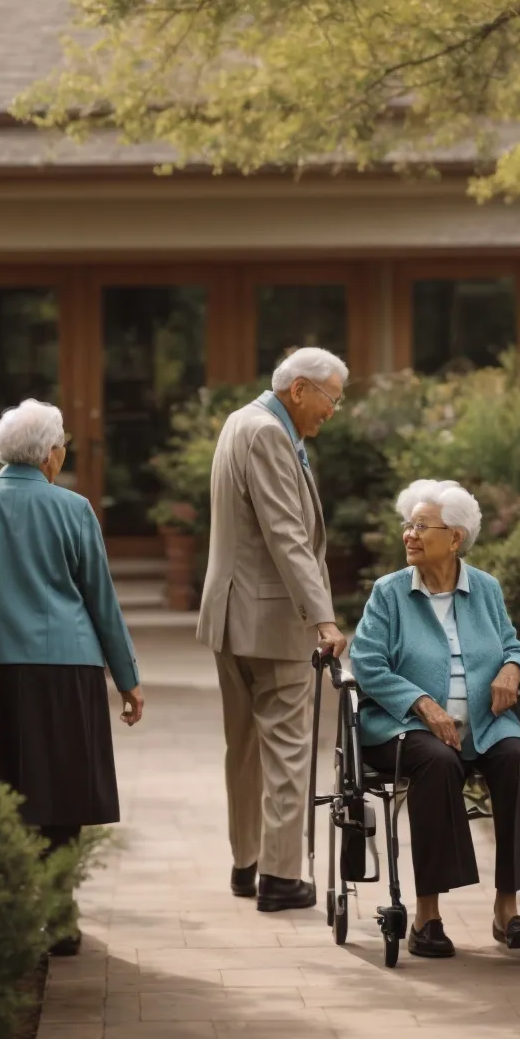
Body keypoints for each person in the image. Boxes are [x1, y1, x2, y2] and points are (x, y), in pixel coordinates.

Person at [0, 399, 145, 955]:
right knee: (61, 790)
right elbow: (100, 597)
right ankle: (59, 913)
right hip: (61, 666)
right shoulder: (72, 509)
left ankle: (3, 912)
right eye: (63, 443)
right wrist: (127, 677)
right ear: (52, 454)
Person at [347, 478, 520, 958]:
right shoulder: (389, 593)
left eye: (421, 526)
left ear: (454, 538)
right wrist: (421, 702)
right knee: (437, 761)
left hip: (485, 724)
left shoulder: (486, 590)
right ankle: (427, 916)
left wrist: (514, 669)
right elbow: (367, 663)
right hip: (405, 727)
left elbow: (514, 644)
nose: (409, 535)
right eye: (407, 525)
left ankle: (507, 908)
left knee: (518, 759)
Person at [197, 346, 350, 912]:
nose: (333, 410)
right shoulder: (268, 433)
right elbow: (286, 533)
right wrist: (325, 617)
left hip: (231, 616)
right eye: (332, 397)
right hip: (269, 617)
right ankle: (281, 878)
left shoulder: (240, 421)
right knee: (285, 749)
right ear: (300, 389)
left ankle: (247, 863)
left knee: (244, 747)